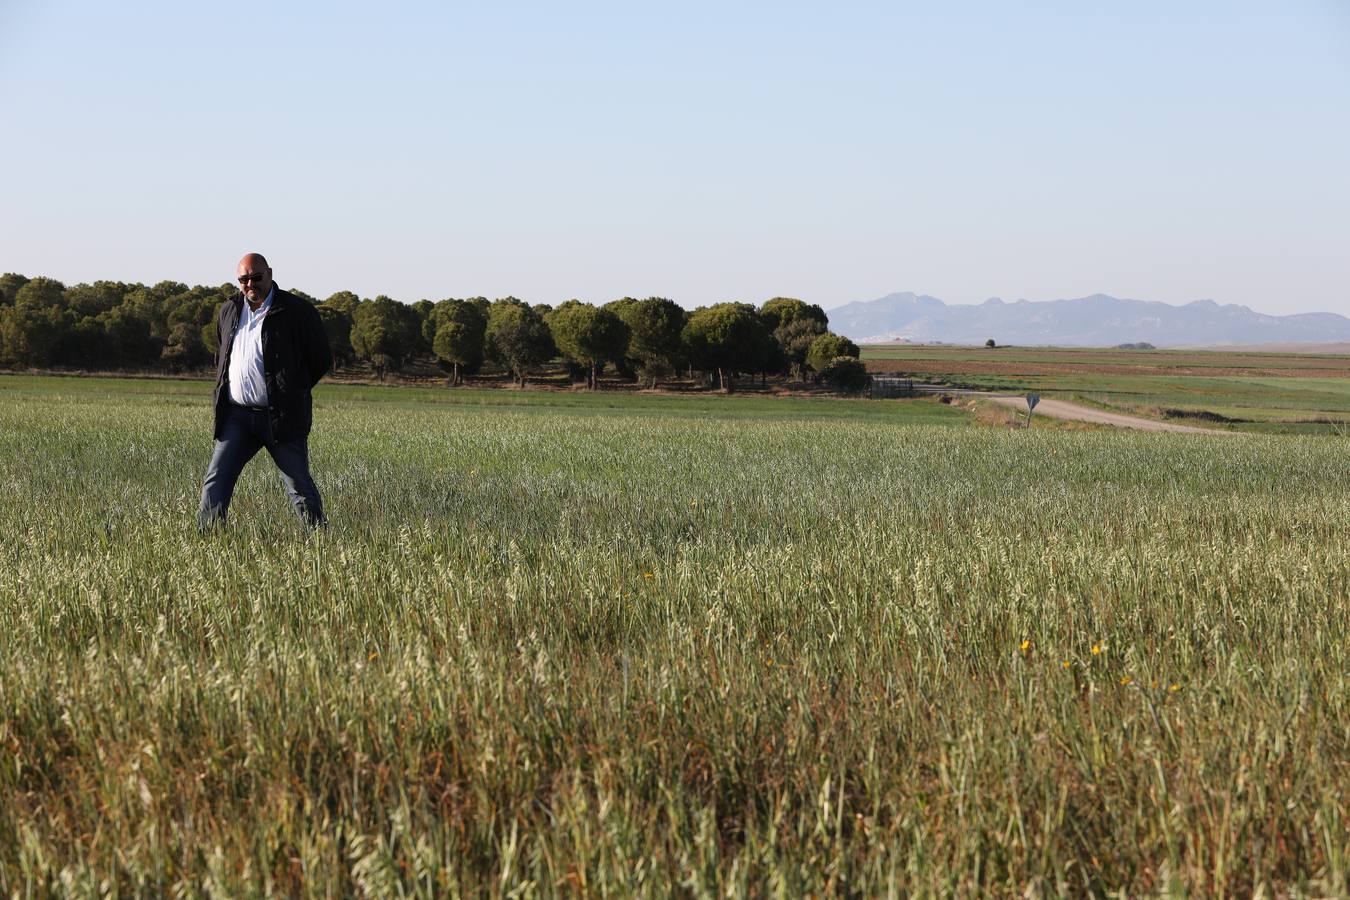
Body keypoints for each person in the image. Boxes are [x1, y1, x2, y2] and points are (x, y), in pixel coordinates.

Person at [198, 253, 332, 528]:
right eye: (243, 279)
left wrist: (292, 390)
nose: (250, 284)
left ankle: (318, 540)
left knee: (298, 484)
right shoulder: (230, 310)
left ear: (269, 274)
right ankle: (207, 540)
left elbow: (320, 359)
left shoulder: (297, 311)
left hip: (280, 417)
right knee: (217, 478)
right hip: (237, 416)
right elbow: (223, 350)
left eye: (256, 277)